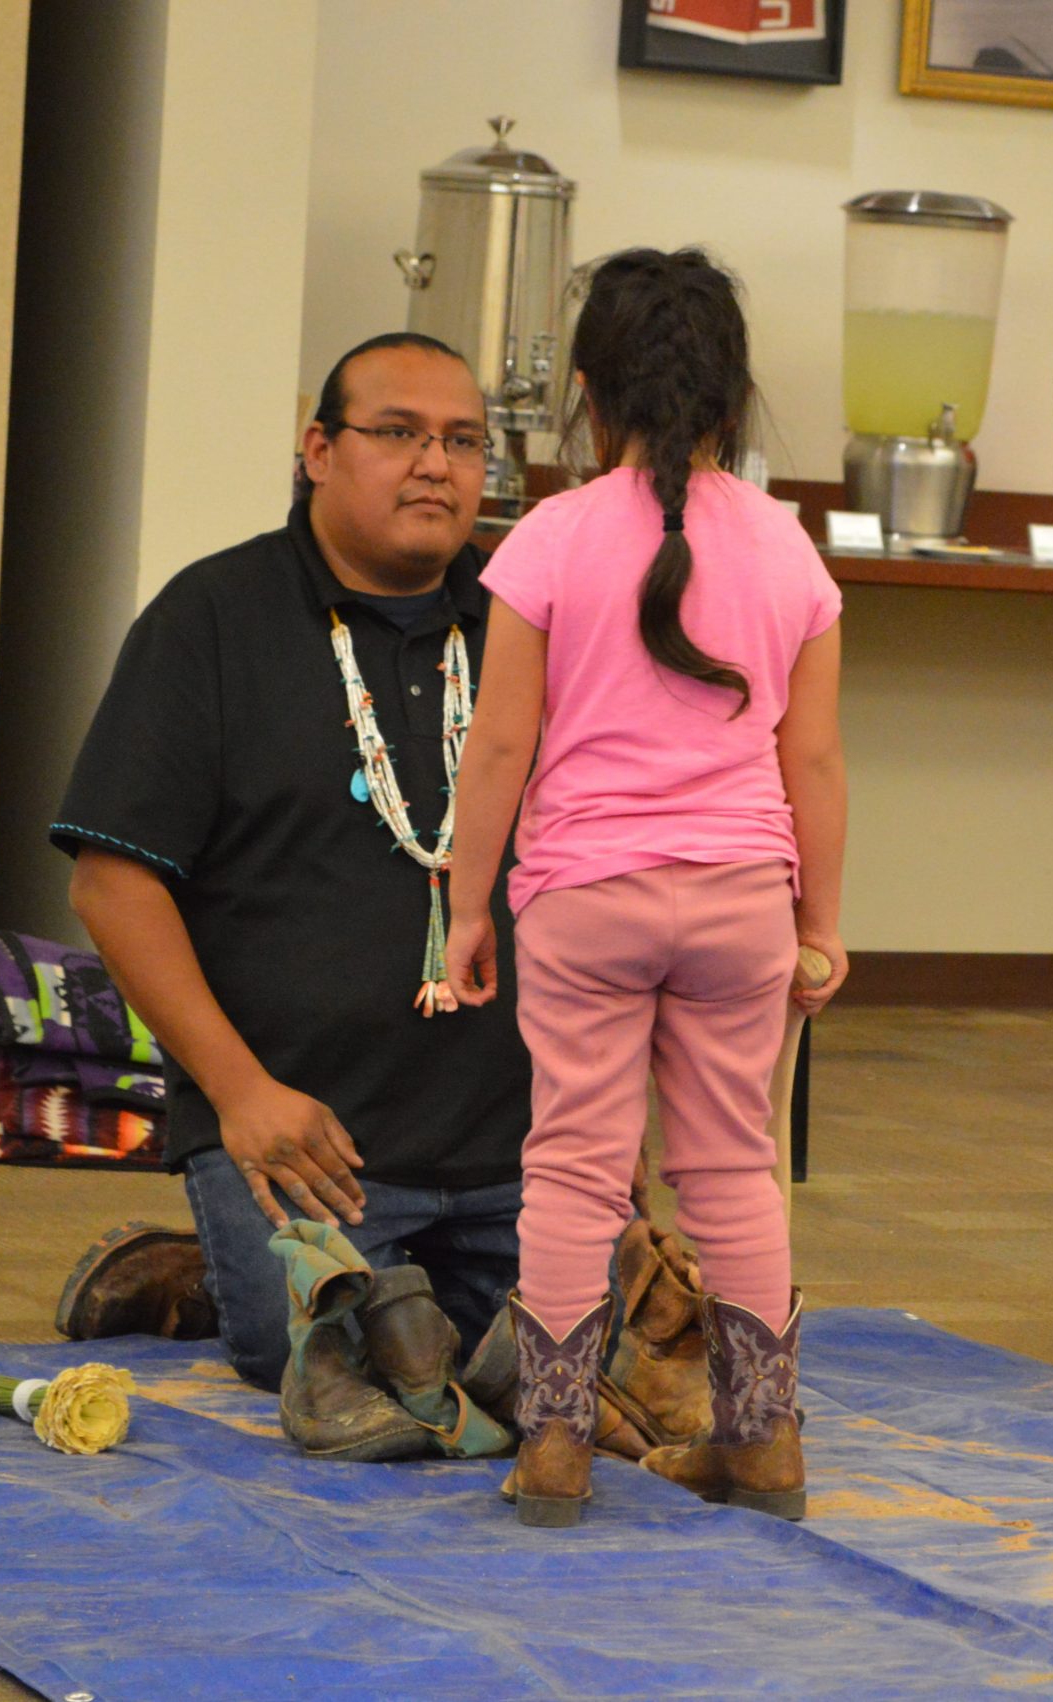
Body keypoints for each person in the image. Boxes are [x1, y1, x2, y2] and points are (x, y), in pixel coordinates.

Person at [56, 332, 689, 1453]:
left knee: (584, 1357)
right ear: (318, 450)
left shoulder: (534, 620)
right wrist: (243, 1094)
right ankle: (233, 1265)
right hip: (308, 1138)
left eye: (463, 442)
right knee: (322, 1359)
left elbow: (614, 867)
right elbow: (112, 883)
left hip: (519, 1136)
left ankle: (215, 1270)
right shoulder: (213, 618)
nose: (435, 464)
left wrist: (610, 1101)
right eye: (397, 432)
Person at [444, 248, 847, 1527]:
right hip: (742, 898)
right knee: (733, 1166)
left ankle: (555, 1451)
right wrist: (821, 923)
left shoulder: (549, 538)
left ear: (586, 393)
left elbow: (498, 745)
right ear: (732, 394)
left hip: (585, 896)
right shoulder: (787, 547)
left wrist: (465, 906)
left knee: (572, 1166)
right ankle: (764, 1446)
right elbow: (814, 759)